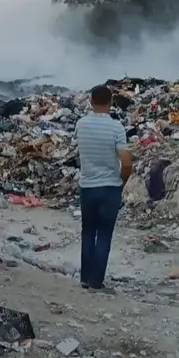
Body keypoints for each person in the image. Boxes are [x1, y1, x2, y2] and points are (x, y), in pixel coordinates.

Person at [74, 84, 132, 291]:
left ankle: (85, 277)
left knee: (88, 231)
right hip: (109, 188)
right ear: (111, 102)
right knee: (105, 234)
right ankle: (96, 281)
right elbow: (126, 162)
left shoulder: (81, 124)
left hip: (88, 185)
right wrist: (121, 182)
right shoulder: (116, 127)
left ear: (91, 101)